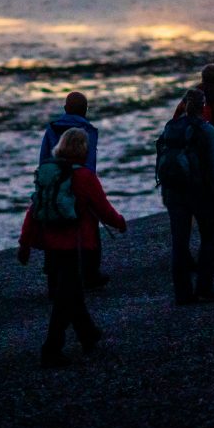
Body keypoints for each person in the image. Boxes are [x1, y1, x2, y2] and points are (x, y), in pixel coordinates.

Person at [18, 128, 127, 367]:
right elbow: (103, 208)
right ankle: (51, 348)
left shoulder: (50, 173)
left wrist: (24, 243)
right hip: (77, 245)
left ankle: (88, 334)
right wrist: (120, 223)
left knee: (72, 292)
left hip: (52, 244)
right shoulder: (85, 177)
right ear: (83, 149)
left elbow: (33, 211)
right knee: (65, 298)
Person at [158, 88, 214, 306]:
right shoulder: (206, 130)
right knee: (208, 238)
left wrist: (164, 191)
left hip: (173, 192)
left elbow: (162, 158)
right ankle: (204, 288)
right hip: (201, 193)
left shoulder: (170, 127)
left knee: (180, 242)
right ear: (203, 106)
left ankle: (182, 294)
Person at [39, 91, 108, 290]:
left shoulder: (51, 129)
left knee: (54, 228)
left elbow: (43, 160)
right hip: (81, 185)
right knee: (90, 230)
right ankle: (91, 274)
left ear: (65, 109)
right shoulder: (89, 130)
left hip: (55, 185)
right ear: (85, 111)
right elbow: (90, 164)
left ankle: (53, 276)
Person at [172, 63, 214, 261]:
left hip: (187, 159)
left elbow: (175, 122)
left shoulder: (189, 99)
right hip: (213, 157)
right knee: (211, 202)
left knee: (186, 203)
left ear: (202, 78)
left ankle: (184, 252)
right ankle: (212, 246)